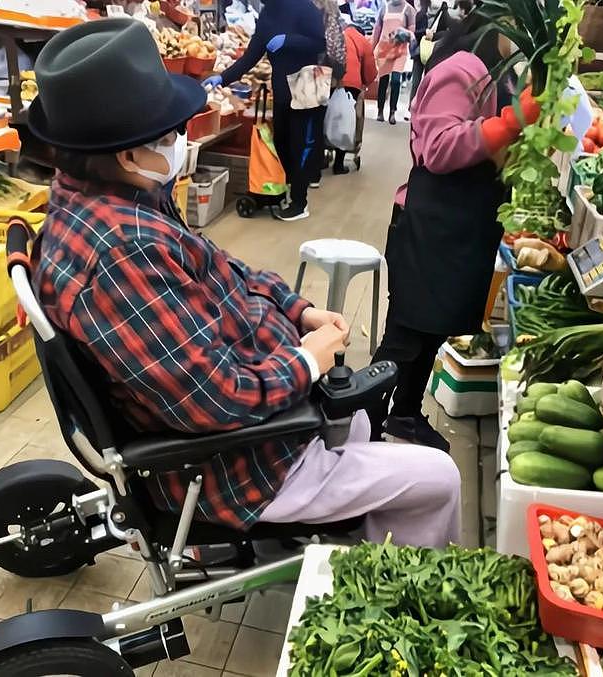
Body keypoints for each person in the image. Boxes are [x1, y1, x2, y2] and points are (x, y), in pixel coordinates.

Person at [29, 18, 461, 548]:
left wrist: (298, 310)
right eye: (169, 135)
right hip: (234, 465)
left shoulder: (104, 196)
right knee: (439, 478)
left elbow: (220, 265)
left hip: (251, 409)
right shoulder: (122, 253)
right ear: (127, 153)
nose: (179, 142)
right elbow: (217, 399)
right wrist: (306, 362)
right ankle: (395, 605)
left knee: (361, 423)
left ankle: (352, 536)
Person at [368, 13, 540, 450]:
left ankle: (404, 414)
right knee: (407, 334)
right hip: (431, 225)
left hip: (460, 224)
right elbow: (438, 147)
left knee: (432, 329)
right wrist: (510, 122)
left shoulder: (494, 70)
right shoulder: (462, 67)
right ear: (498, 19)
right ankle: (362, 428)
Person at [203, 0, 326, 222]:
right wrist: (223, 77)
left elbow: (319, 43)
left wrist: (289, 41)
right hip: (281, 88)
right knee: (281, 141)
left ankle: (300, 202)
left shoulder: (304, 7)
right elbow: (251, 56)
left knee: (300, 145)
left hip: (305, 85)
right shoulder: (268, 14)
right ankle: (289, 187)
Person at [331, 19, 377, 174]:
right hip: (351, 85)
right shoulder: (362, 40)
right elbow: (371, 73)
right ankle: (338, 164)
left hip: (330, 82)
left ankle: (319, 160)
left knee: (326, 120)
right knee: (344, 124)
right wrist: (364, 82)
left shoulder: (337, 36)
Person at [372, 0, 416, 123]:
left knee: (396, 80)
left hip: (400, 50)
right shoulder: (384, 8)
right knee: (383, 80)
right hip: (384, 49)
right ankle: (380, 110)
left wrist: (404, 34)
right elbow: (377, 29)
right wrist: (371, 48)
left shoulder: (409, 10)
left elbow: (412, 32)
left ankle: (392, 112)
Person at [409, 0, 430, 105]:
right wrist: (425, 32)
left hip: (432, 52)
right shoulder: (420, 15)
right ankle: (411, 107)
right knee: (416, 82)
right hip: (420, 52)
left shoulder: (441, 14)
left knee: (428, 83)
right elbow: (413, 33)